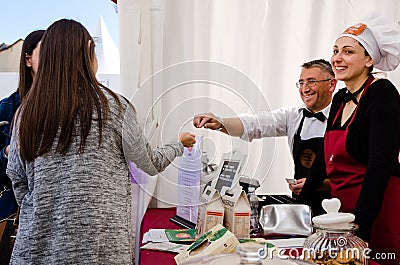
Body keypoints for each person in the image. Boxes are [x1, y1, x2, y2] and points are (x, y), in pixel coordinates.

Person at [6, 19, 196, 264]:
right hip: (100, 249)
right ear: (88, 51)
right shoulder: (115, 108)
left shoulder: (27, 112)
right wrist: (178, 143)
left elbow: (17, 177)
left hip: (38, 249)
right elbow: (150, 162)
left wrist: (44, 210)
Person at [304, 16, 400, 263]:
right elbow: (325, 160)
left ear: (369, 60)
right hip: (342, 218)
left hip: (377, 215)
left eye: (348, 51)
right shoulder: (339, 98)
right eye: (335, 51)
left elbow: (381, 165)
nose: (337, 58)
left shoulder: (383, 94)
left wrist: (361, 228)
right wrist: (300, 205)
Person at [193, 59, 337, 215]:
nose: (305, 89)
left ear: (331, 84)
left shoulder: (346, 116)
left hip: (337, 205)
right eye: (301, 83)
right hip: (303, 205)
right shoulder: (293, 115)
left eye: (311, 82)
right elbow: (256, 124)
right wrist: (221, 123)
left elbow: (356, 174)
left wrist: (318, 184)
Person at [0, 30, 44, 263]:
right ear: (28, 59)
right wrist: (6, 153)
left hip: (50, 217)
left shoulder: (68, 108)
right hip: (10, 212)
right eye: (45, 52)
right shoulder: (7, 108)